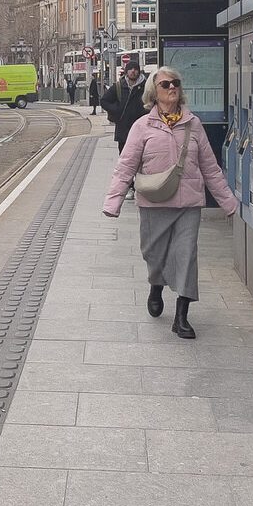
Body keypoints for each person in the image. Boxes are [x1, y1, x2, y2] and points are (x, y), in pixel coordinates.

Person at [103, 66, 237, 339]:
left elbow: (210, 168)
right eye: (166, 84)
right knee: (154, 255)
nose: (172, 88)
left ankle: (182, 316)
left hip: (188, 203)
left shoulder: (193, 124)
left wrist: (228, 202)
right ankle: (156, 283)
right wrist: (113, 201)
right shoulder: (142, 127)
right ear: (154, 93)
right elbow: (125, 166)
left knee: (187, 256)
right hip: (154, 202)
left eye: (175, 83)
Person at [101, 60, 148, 153]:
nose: (133, 71)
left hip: (141, 129)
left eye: (135, 69)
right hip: (123, 130)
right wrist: (116, 110)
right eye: (130, 69)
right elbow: (104, 101)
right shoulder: (119, 86)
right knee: (124, 158)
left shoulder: (146, 87)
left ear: (139, 71)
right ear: (126, 71)